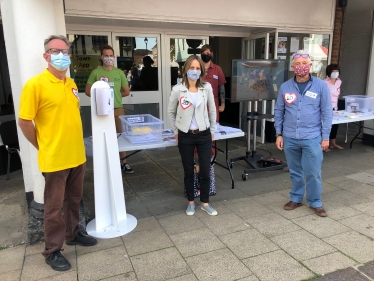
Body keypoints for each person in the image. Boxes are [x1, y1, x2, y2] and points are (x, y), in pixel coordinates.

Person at [18, 35, 97, 271]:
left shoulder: (71, 84)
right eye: (55, 51)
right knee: (53, 208)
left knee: (74, 200)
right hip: (54, 159)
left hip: (77, 155)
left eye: (65, 52)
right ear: (46, 56)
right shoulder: (35, 85)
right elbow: (24, 122)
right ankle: (52, 250)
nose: (61, 56)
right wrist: (42, 146)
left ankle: (73, 233)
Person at [274, 50, 333, 217]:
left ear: (310, 66)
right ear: (293, 67)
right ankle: (296, 198)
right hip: (289, 137)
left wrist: (326, 137)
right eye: (298, 64)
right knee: (294, 171)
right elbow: (279, 111)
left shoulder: (321, 86)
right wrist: (279, 133)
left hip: (312, 137)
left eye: (304, 64)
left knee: (313, 172)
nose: (301, 67)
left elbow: (327, 113)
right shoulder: (285, 86)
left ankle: (315, 201)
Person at [168, 55, 217, 216]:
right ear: (186, 69)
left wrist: (212, 130)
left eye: (197, 68)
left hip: (203, 134)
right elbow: (171, 112)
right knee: (188, 170)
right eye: (192, 68)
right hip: (185, 135)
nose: (194, 71)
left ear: (201, 70)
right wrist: (176, 131)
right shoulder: (178, 89)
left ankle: (205, 202)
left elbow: (212, 109)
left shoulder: (206, 88)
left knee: (205, 169)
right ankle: (190, 202)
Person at [85, 45, 133, 173]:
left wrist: (113, 96)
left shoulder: (119, 73)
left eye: (111, 55)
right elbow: (88, 91)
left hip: (117, 109)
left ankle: (124, 163)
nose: (109, 58)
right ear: (101, 57)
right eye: (106, 55)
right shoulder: (96, 73)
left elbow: (126, 91)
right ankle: (104, 164)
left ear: (114, 57)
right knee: (102, 137)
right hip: (101, 111)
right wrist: (101, 97)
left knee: (120, 136)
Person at [200, 45, 226, 122]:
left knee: (214, 128)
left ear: (211, 54)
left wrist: (223, 104)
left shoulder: (217, 69)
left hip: (213, 104)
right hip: (199, 104)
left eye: (207, 53)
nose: (205, 55)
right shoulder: (197, 68)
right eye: (203, 53)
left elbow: (221, 86)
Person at [324, 64, 343, 151]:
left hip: (335, 106)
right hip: (326, 106)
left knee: (335, 125)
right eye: (333, 71)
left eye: (337, 71)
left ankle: (333, 143)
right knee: (326, 125)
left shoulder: (339, 81)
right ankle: (324, 144)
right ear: (329, 72)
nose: (335, 73)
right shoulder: (324, 83)